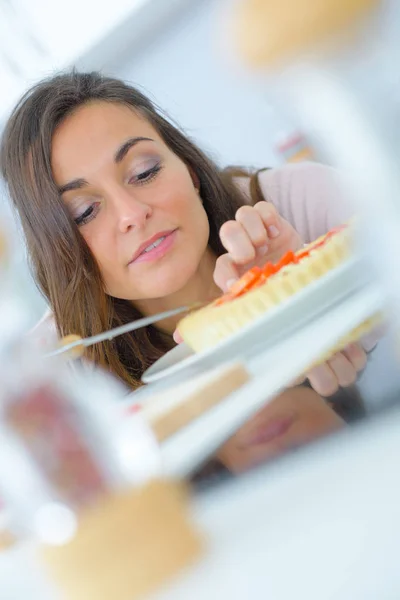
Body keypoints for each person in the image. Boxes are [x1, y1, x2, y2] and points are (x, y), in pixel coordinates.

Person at [0, 71, 372, 471]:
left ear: (189, 169)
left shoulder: (303, 202)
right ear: (59, 252)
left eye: (144, 172)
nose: (132, 214)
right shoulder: (53, 367)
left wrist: (315, 285)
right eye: (84, 212)